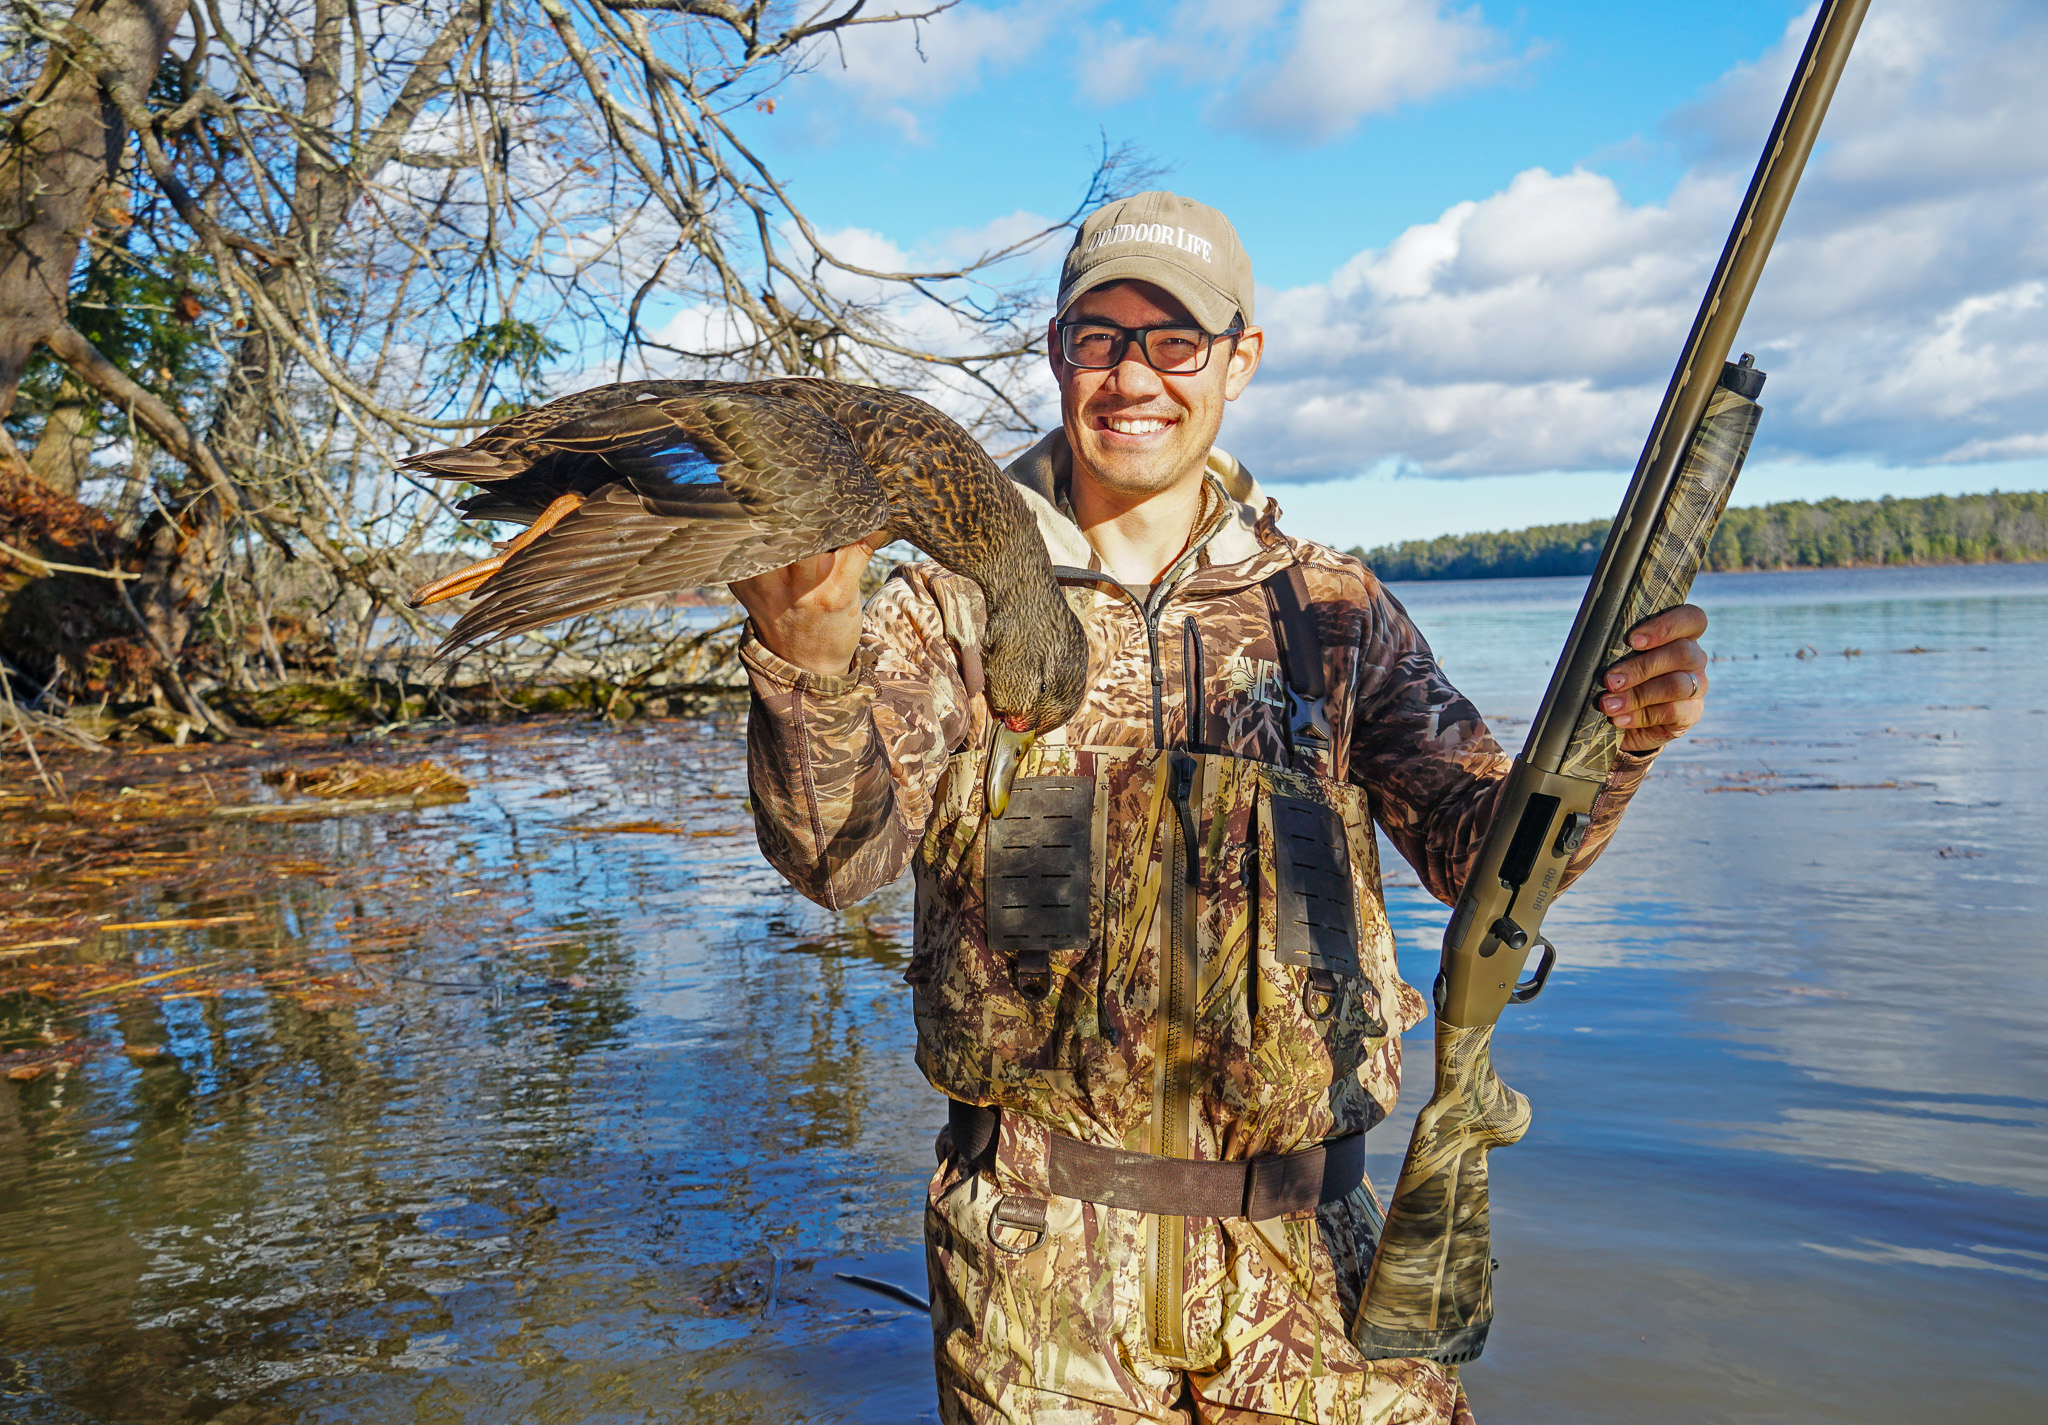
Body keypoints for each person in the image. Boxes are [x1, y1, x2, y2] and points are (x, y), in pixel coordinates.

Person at [729, 191, 1710, 1425]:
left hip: (1319, 1266)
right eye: (1100, 337)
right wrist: (808, 656)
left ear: (1239, 360)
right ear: (1056, 355)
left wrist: (1619, 739)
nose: (1133, 375)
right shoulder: (954, 607)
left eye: (1174, 339)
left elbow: (1482, 858)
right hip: (1038, 1276)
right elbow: (835, 857)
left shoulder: (1330, 609)